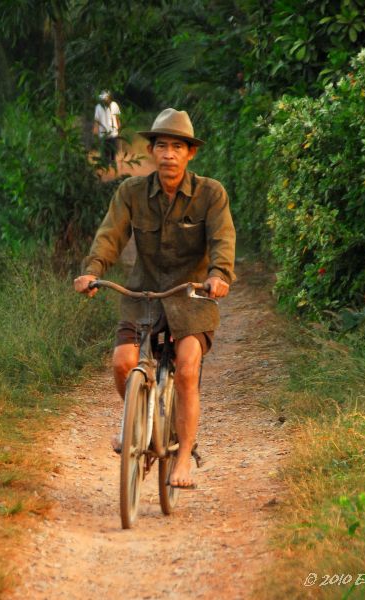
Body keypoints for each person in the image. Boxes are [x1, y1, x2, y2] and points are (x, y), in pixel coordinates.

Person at [75, 108, 236, 488]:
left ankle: (182, 458)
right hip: (142, 291)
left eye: (177, 147)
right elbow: (109, 236)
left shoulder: (210, 194)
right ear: (151, 151)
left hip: (192, 295)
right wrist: (93, 270)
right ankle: (134, 418)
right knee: (123, 362)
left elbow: (222, 240)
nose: (168, 154)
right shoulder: (130, 192)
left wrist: (219, 275)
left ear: (190, 153)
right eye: (161, 146)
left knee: (187, 369)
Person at [93, 90, 121, 166]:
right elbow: (97, 120)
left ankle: (112, 162)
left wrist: (119, 127)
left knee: (113, 149)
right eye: (104, 98)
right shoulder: (98, 107)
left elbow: (117, 117)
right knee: (105, 149)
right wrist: (95, 130)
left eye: (106, 98)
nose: (105, 99)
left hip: (113, 131)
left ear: (109, 98)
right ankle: (106, 163)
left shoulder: (114, 105)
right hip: (103, 132)